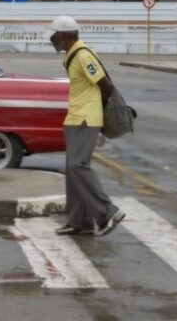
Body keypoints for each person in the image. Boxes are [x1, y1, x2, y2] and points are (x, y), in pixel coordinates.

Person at [47, 16, 126, 236]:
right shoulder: (71, 56)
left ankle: (107, 212)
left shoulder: (82, 55)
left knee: (77, 166)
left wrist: (94, 111)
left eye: (54, 34)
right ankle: (79, 221)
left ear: (64, 35)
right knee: (72, 171)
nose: (51, 39)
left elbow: (106, 86)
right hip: (75, 118)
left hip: (85, 120)